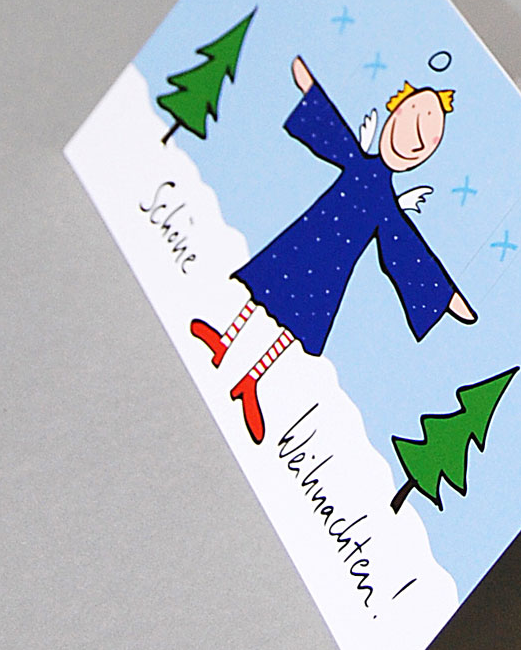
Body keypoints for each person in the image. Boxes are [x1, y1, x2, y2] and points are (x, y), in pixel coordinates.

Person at [191, 56, 475, 443]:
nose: (412, 138)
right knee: (265, 287)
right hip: (304, 240)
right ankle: (224, 341)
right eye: (408, 119)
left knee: (297, 322)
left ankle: (251, 380)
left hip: (331, 269)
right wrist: (310, 89)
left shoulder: (386, 204)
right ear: (392, 115)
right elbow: (334, 134)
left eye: (424, 141)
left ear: (425, 155)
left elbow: (409, 252)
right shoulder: (358, 162)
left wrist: (445, 297)